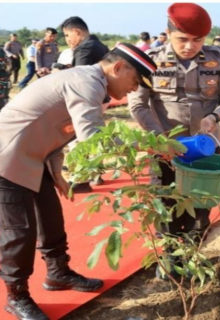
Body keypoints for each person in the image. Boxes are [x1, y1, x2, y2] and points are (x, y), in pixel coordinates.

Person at [0, 43, 157, 320]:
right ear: (118, 68)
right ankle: (17, 296)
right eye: (135, 81)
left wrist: (57, 172)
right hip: (6, 157)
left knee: (51, 219)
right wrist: (149, 145)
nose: (134, 89)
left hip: (33, 156)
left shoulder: (90, 82)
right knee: (19, 233)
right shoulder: (86, 82)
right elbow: (93, 138)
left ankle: (58, 273)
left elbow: (58, 130)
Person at [128, 3, 220, 278]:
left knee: (201, 204)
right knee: (164, 202)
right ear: (167, 33)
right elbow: (138, 105)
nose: (190, 46)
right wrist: (160, 138)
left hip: (204, 146)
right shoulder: (149, 60)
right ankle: (168, 258)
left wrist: (215, 115)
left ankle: (190, 255)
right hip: (163, 147)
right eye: (182, 40)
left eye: (197, 40)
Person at [61, 16, 110, 192]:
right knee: (93, 134)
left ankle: (80, 179)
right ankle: (96, 174)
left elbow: (78, 77)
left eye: (67, 35)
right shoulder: (98, 45)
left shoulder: (85, 48)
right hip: (99, 97)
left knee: (78, 138)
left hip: (86, 99)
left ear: (77, 32)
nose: (67, 40)